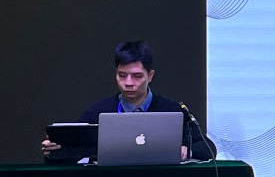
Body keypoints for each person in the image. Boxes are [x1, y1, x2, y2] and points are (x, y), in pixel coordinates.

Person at [41, 40, 216, 162]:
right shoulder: (98, 112)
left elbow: (208, 148)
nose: (128, 83)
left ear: (150, 76)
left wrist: (188, 150)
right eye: (122, 75)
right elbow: (70, 154)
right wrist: (54, 151)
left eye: (137, 76)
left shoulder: (173, 110)